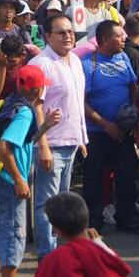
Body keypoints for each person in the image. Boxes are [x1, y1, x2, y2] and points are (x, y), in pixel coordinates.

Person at [0, 65, 61, 277]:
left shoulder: (10, 104)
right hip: (8, 181)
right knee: (13, 235)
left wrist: (45, 126)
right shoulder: (25, 113)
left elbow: (22, 141)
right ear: (36, 89)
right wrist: (18, 179)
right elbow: (5, 147)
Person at [28, 15, 87, 260]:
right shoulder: (41, 64)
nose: (68, 36)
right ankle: (46, 255)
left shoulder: (75, 60)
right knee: (47, 204)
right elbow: (36, 106)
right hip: (51, 144)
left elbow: (76, 102)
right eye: (61, 32)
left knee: (62, 203)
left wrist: (81, 137)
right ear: (48, 36)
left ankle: (59, 253)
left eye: (70, 32)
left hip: (71, 142)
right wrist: (42, 145)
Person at [81, 21, 139, 234]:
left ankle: (126, 219)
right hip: (96, 133)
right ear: (105, 40)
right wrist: (105, 124)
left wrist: (132, 113)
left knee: (126, 177)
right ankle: (94, 222)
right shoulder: (87, 65)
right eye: (119, 36)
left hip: (123, 132)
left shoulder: (123, 58)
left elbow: (133, 87)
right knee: (93, 179)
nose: (125, 38)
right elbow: (81, 102)